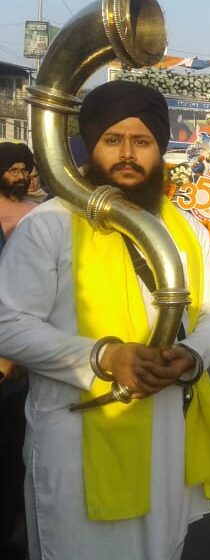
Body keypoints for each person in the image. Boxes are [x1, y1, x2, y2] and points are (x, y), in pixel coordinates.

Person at [0, 80, 210, 560]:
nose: (127, 154)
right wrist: (104, 356)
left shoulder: (186, 226)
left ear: (160, 149)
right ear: (91, 148)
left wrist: (191, 356)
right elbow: (8, 323)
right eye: (113, 140)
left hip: (168, 437)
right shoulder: (49, 223)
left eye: (142, 141)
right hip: (77, 444)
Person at [0, 141, 39, 560]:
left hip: (22, 358)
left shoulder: (41, 214)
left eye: (25, 169)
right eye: (12, 169)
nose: (21, 176)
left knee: (18, 453)